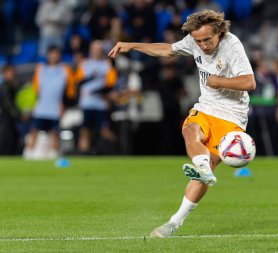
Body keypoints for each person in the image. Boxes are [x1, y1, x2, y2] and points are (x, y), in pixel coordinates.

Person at [108, 9, 256, 237]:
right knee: (189, 130)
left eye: (208, 39)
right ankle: (204, 170)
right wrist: (132, 45)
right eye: (199, 41)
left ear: (218, 32)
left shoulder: (232, 45)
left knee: (209, 163)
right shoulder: (194, 42)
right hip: (206, 107)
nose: (203, 45)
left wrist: (220, 81)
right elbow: (167, 50)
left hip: (232, 116)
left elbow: (249, 82)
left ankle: (174, 222)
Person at [23, 46, 75, 159]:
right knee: (34, 131)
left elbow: (71, 91)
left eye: (56, 53)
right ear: (48, 55)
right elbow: (35, 89)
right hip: (41, 108)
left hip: (56, 108)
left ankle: (53, 154)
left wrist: (64, 105)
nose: (54, 56)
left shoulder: (65, 70)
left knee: (54, 132)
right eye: (52, 53)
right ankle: (28, 153)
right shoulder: (40, 69)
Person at [76, 40, 118, 154]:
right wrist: (91, 77)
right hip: (87, 102)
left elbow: (111, 84)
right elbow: (79, 82)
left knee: (105, 129)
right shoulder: (84, 63)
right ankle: (83, 153)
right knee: (85, 130)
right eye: (94, 49)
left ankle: (115, 151)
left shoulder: (107, 64)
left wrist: (99, 92)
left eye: (99, 50)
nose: (96, 52)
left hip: (101, 103)